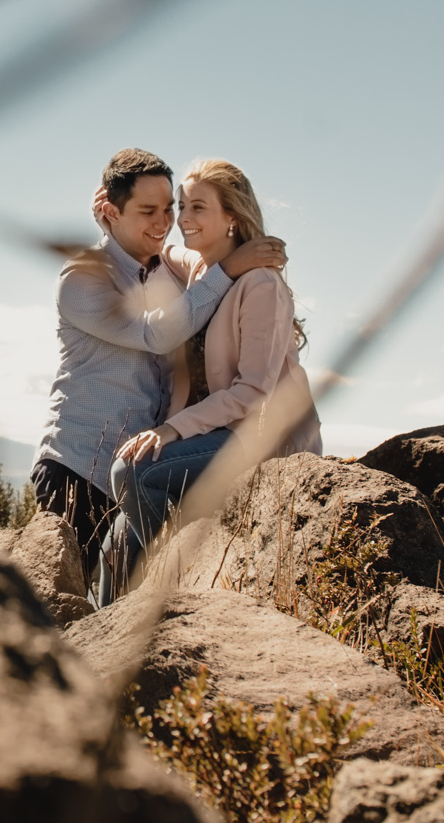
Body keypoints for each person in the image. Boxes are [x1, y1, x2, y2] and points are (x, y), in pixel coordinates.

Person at [30, 149, 286, 563]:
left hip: (145, 466)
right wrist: (231, 266)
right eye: (148, 211)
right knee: (66, 608)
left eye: (170, 208)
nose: (165, 223)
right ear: (111, 212)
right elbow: (153, 333)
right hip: (78, 470)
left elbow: (204, 258)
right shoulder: (82, 278)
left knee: (122, 599)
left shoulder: (169, 268)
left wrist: (233, 258)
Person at [100, 159, 322, 598]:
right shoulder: (201, 269)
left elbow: (254, 391)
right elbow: (158, 246)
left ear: (232, 217)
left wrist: (169, 429)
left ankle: (171, 580)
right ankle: (102, 652)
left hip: (256, 439)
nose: (182, 219)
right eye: (182, 206)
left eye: (197, 207)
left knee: (133, 471)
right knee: (114, 545)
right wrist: (107, 217)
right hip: (211, 435)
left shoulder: (261, 284)